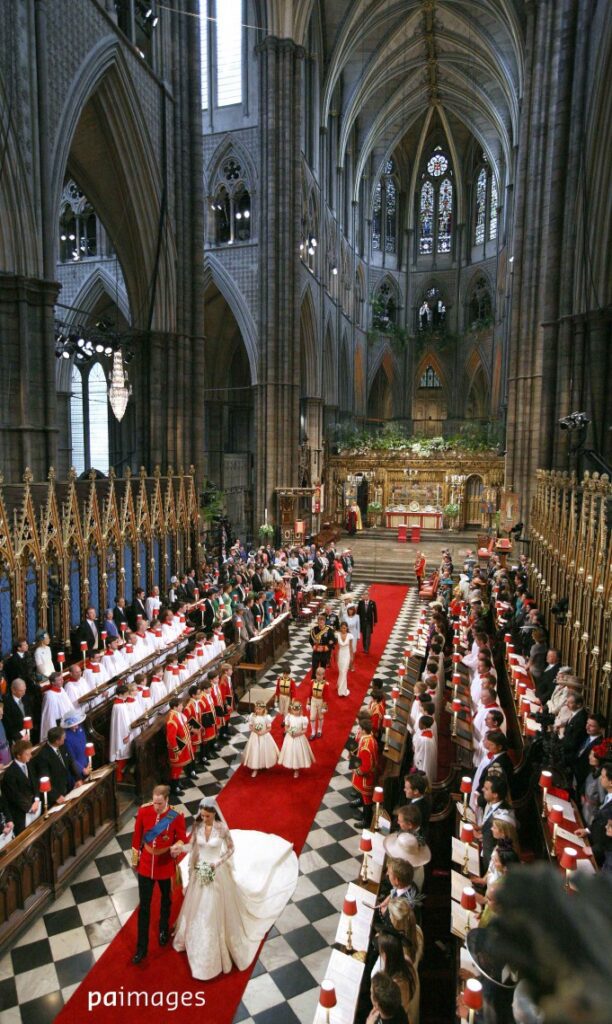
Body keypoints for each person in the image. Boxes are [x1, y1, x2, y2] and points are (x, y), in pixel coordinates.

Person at [171, 796, 298, 980]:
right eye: (202, 815)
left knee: (213, 909)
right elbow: (193, 846)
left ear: (214, 814)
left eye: (207, 816)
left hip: (216, 871)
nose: (204, 818)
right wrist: (179, 849)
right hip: (201, 872)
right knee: (199, 908)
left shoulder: (222, 829)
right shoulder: (198, 827)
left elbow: (231, 849)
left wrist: (218, 862)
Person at [131, 784, 187, 964]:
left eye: (160, 804)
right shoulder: (143, 811)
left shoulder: (176, 816)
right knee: (144, 908)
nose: (156, 807)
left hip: (164, 864)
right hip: (147, 865)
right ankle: (141, 948)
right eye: (154, 803)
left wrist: (177, 847)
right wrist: (135, 860)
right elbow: (137, 836)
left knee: (166, 899)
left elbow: (182, 838)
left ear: (167, 800)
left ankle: (163, 929)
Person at [35, 725, 88, 806]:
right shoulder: (43, 756)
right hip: (57, 795)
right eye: (63, 737)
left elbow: (70, 763)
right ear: (57, 741)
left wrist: (77, 779)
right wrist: (56, 796)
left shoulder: (62, 746)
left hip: (67, 787)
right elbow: (44, 779)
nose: (65, 738)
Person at [1, 739, 41, 834]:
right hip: (22, 814)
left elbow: (35, 784)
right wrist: (30, 808)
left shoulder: (29, 764)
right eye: (27, 754)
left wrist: (36, 800)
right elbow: (15, 796)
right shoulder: (10, 773)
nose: (30, 756)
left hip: (34, 807)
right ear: (19, 755)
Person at [278, 699, 314, 779]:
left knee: (298, 752)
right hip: (290, 737)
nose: (296, 712)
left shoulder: (303, 719)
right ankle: (291, 764)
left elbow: (305, 730)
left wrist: (298, 733)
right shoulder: (289, 717)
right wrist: (289, 732)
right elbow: (286, 727)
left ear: (300, 710)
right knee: (290, 751)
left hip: (299, 738)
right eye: (294, 710)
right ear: (291, 709)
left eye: (298, 710)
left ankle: (296, 768)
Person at [242, 701, 279, 777]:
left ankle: (264, 763)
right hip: (255, 736)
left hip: (264, 735)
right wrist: (255, 731)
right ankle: (255, 768)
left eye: (259, 709)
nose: (257, 710)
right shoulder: (252, 716)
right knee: (255, 751)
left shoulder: (266, 717)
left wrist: (262, 732)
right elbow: (251, 726)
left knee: (263, 750)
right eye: (256, 709)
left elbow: (269, 728)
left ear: (263, 709)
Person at [39, 671, 74, 743]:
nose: (62, 681)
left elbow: (69, 705)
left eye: (62, 679)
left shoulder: (62, 690)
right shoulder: (49, 696)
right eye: (59, 680)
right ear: (53, 682)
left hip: (69, 722)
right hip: (59, 725)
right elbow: (50, 716)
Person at [335, 621, 354, 697]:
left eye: (345, 628)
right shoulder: (337, 635)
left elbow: (351, 647)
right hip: (340, 654)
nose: (343, 629)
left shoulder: (350, 636)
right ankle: (339, 684)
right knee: (341, 671)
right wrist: (336, 656)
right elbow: (336, 647)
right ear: (340, 628)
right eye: (342, 628)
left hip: (347, 655)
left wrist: (352, 657)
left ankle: (342, 691)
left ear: (347, 628)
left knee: (344, 671)